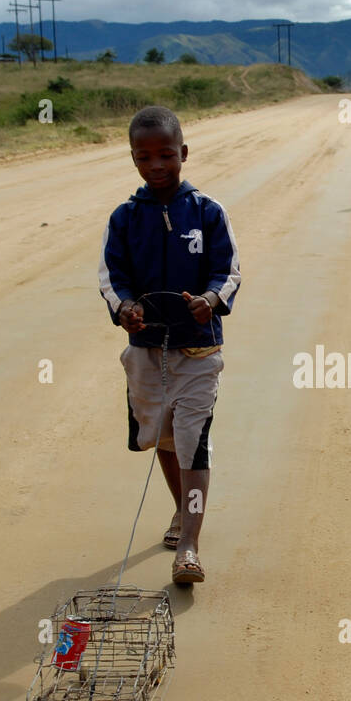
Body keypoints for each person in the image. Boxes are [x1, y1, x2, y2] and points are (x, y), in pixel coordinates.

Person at [98, 105, 241, 586]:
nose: (156, 165)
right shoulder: (124, 218)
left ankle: (190, 547)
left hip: (198, 350)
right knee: (160, 437)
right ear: (134, 159)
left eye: (165, 154)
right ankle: (182, 511)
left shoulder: (208, 212)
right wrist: (125, 309)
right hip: (145, 351)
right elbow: (110, 277)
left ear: (183, 152)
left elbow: (229, 271)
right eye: (145, 156)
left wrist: (209, 299)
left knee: (192, 441)